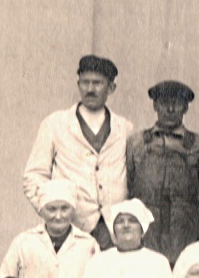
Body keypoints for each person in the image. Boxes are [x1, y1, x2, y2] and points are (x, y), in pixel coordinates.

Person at [22, 54, 133, 248]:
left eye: (98, 83)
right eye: (85, 83)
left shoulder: (124, 128)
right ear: (78, 84)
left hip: (111, 230)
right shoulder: (55, 124)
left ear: (111, 88)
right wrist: (54, 212)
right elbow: (33, 176)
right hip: (70, 228)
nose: (90, 89)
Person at [126, 79, 199, 263]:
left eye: (177, 104)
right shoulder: (136, 143)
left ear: (186, 108)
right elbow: (129, 186)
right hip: (148, 230)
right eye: (164, 103)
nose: (170, 109)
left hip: (184, 230)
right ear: (155, 105)